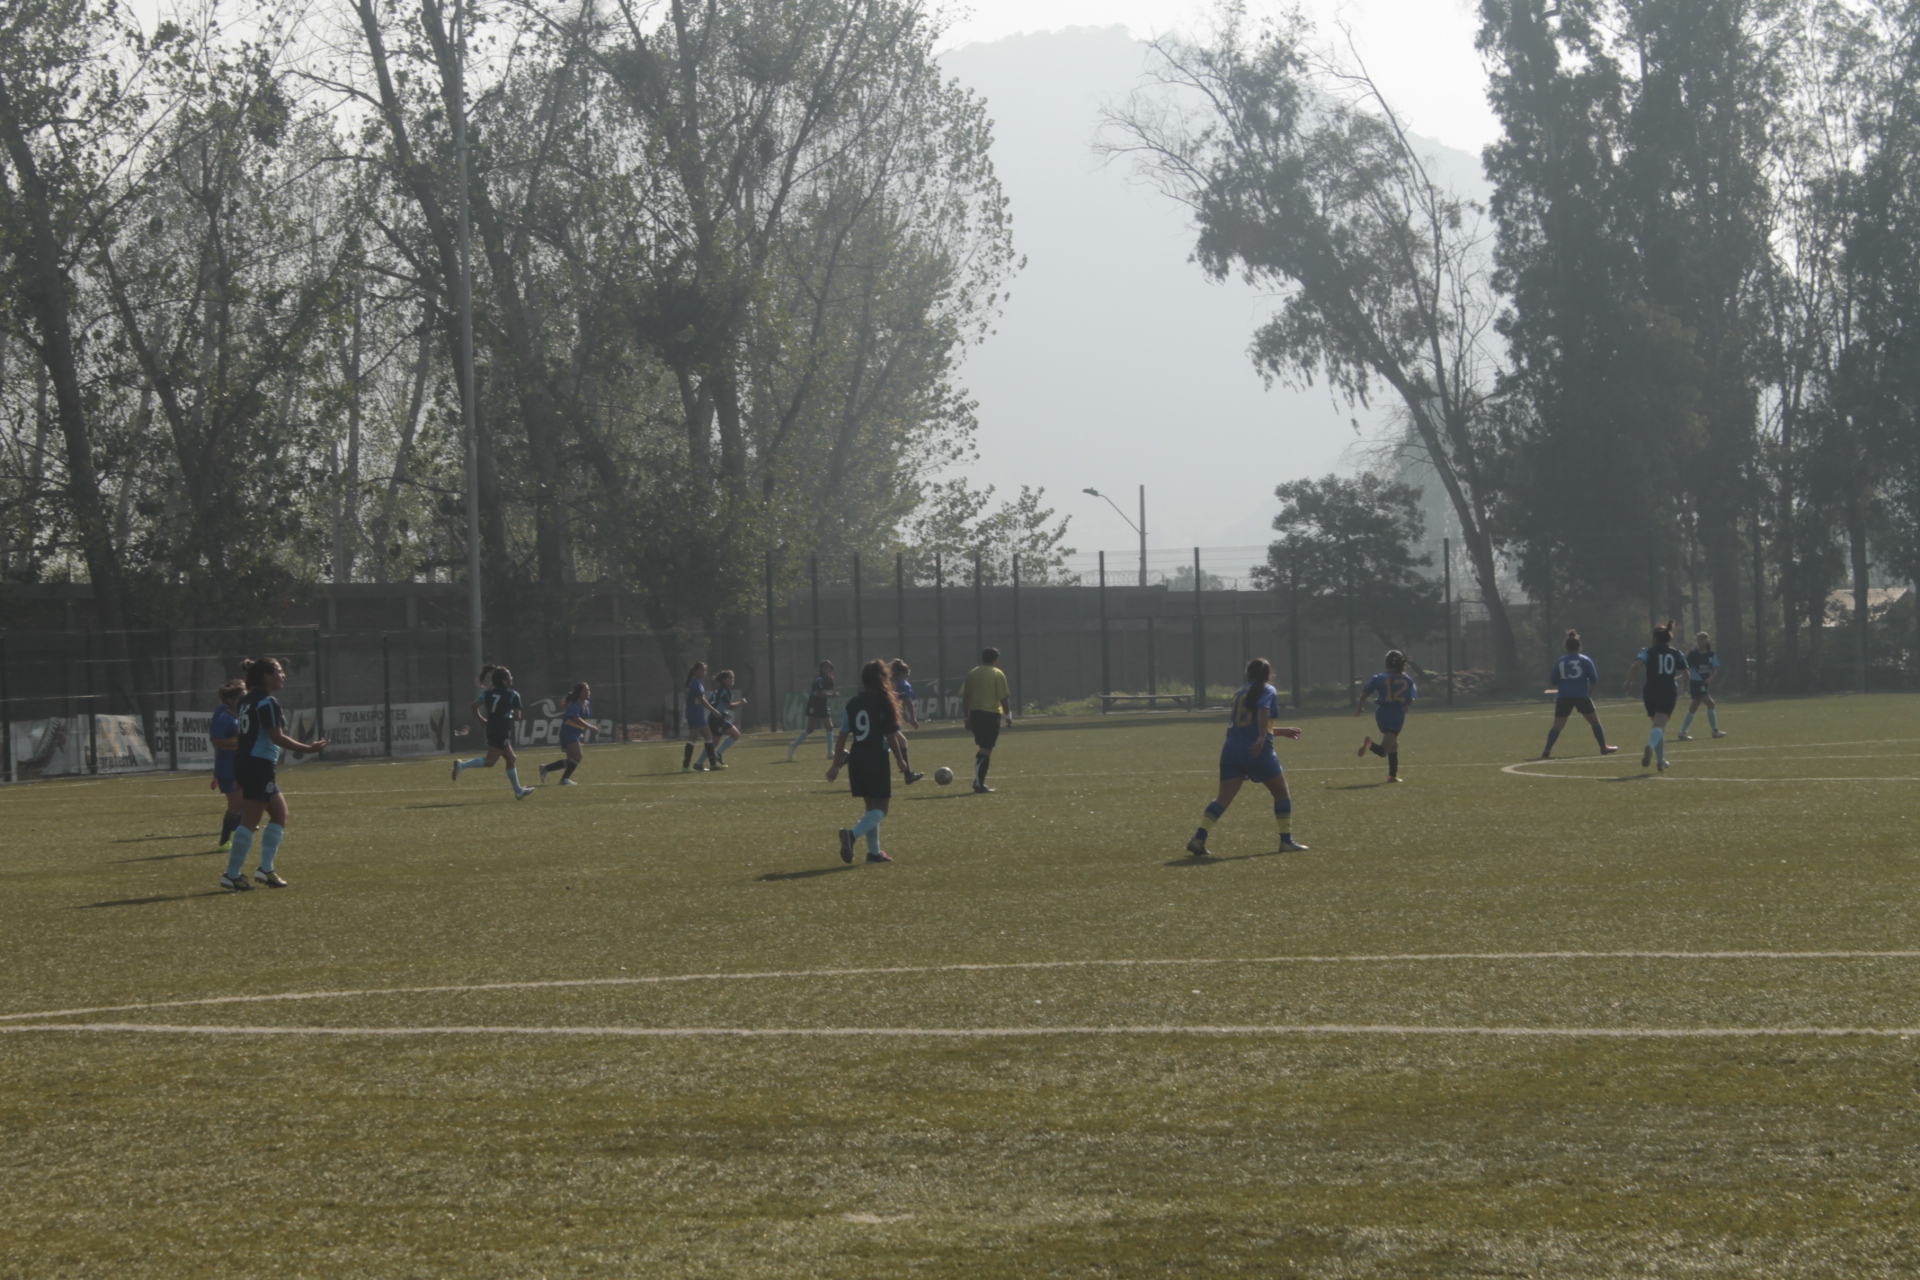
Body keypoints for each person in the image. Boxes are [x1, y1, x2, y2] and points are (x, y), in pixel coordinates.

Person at [221, 657, 329, 890]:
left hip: (251, 763)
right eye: (279, 671)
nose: (283, 675)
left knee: (280, 814)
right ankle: (232, 874)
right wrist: (308, 749)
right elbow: (277, 737)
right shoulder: (267, 702)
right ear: (267, 676)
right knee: (250, 821)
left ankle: (266, 869)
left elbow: (242, 737)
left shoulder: (247, 701)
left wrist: (239, 771)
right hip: (258, 764)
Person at [1187, 658, 1308, 856]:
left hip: (1231, 749)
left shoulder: (1240, 692)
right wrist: (1261, 737)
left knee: (1222, 799)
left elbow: (1247, 723)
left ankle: (1198, 838)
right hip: (1256, 750)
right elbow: (1263, 711)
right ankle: (1286, 841)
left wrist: (1280, 731)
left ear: (1248, 673)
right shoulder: (1267, 689)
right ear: (1268, 674)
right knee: (1281, 793)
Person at [825, 659, 909, 864]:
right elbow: (890, 736)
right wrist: (900, 760)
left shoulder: (853, 703)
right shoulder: (883, 702)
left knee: (871, 809)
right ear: (881, 678)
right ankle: (852, 834)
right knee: (881, 810)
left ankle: (874, 853)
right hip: (876, 758)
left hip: (856, 759)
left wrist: (836, 765)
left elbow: (842, 736)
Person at [452, 666, 534, 797]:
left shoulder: (487, 693)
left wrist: (481, 719)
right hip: (501, 730)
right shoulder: (513, 695)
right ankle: (462, 766)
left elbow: (473, 706)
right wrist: (511, 712)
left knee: (511, 758)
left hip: (491, 728)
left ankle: (518, 791)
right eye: (509, 676)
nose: (511, 678)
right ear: (504, 681)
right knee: (490, 762)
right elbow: (517, 716)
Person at [1540, 630, 1620, 759]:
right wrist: (1590, 692)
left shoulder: (1560, 661)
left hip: (1564, 696)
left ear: (1567, 647)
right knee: (1595, 722)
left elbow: (1553, 680)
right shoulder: (1585, 660)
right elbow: (1594, 679)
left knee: (1557, 726)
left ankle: (1547, 749)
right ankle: (1603, 747)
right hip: (1582, 695)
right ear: (1579, 646)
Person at [1624, 621, 1687, 772]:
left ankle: (1661, 762)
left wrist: (1628, 682)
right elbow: (1687, 675)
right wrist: (1678, 682)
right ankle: (1650, 746)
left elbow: (1635, 666)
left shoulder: (1647, 651)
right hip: (1667, 691)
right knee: (1659, 726)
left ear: (1655, 638)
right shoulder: (1677, 653)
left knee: (1658, 727)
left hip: (1650, 691)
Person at [1354, 650, 1417, 782]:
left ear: (1386, 663)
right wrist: (1406, 706)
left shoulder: (1379, 677)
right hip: (1396, 714)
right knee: (1384, 751)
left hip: (1381, 713)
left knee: (1394, 744)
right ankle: (1370, 743)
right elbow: (1410, 698)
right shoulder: (1407, 680)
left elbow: (1365, 693)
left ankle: (1392, 776)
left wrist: (1360, 708)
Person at [961, 646, 1012, 794]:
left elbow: (965, 697)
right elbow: (1003, 697)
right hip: (990, 714)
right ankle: (979, 784)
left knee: (983, 748)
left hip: (975, 714)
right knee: (986, 749)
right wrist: (1008, 716)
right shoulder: (997, 673)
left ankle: (978, 781)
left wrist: (966, 717)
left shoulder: (973, 673)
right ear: (996, 660)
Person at [208, 680, 246, 851]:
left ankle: (236, 837)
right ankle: (224, 841)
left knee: (245, 803)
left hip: (240, 766)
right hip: (227, 767)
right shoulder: (225, 718)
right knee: (236, 805)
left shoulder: (240, 718)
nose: (245, 701)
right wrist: (239, 743)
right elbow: (216, 740)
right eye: (241, 697)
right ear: (231, 700)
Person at [540, 683, 595, 785]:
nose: (588, 692)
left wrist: (581, 731)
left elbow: (582, 719)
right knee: (578, 756)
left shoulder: (587, 704)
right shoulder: (575, 705)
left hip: (575, 732)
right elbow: (575, 718)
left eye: (588, 690)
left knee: (571, 761)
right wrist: (590, 727)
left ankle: (546, 768)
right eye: (585, 690)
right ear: (579, 693)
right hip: (568, 732)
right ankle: (564, 779)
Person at [1677, 632, 1727, 740]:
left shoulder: (1711, 654)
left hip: (1704, 683)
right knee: (1711, 704)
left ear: (1707, 641)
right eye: (1698, 640)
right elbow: (1686, 669)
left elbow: (1715, 669)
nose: (1699, 642)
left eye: (1701, 639)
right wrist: (1685, 683)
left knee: (1694, 707)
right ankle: (1715, 731)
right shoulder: (1693, 654)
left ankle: (1682, 732)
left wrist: (1710, 678)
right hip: (1696, 683)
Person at [789, 660, 836, 761]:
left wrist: (831, 694)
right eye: (826, 667)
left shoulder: (829, 678)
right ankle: (793, 745)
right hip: (814, 704)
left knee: (829, 726)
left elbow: (826, 692)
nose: (828, 669)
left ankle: (830, 752)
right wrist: (832, 694)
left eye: (829, 667)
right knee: (810, 729)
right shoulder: (819, 679)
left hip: (823, 705)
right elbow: (818, 693)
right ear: (821, 669)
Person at [707, 669, 747, 768]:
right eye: (730, 678)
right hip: (718, 718)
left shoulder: (717, 690)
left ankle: (718, 753)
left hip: (720, 717)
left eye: (733, 678)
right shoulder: (725, 690)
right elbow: (729, 706)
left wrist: (714, 708)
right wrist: (740, 702)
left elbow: (709, 701)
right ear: (724, 680)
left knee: (736, 734)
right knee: (714, 743)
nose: (732, 680)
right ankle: (700, 763)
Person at [681, 662, 716, 772]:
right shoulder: (695, 682)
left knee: (707, 736)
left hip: (695, 714)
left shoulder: (694, 682)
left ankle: (713, 764)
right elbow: (701, 700)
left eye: (705, 670)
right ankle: (686, 766)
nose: (704, 672)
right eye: (702, 670)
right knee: (694, 738)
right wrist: (714, 711)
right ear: (696, 671)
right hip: (695, 714)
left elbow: (699, 700)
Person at [890, 659, 920, 729]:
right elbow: (909, 702)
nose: (907, 678)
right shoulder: (904, 684)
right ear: (901, 673)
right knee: (896, 735)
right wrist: (913, 718)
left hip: (878, 712)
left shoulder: (886, 682)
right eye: (907, 675)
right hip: (891, 714)